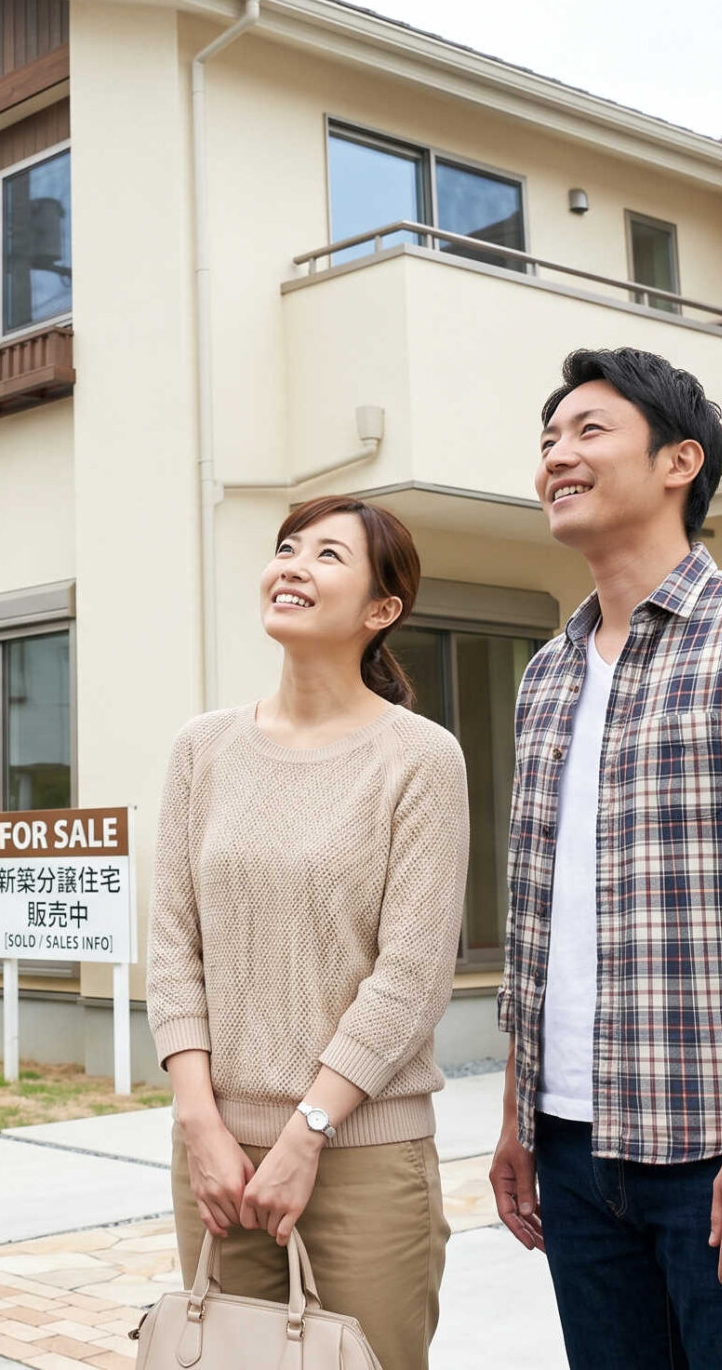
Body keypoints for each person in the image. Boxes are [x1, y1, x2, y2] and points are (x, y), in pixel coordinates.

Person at [487, 348, 722, 1369]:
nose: (557, 456)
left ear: (678, 461)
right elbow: (539, 920)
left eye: (588, 430)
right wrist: (519, 1115)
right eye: (547, 439)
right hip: (570, 1151)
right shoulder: (546, 675)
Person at [145, 495, 469, 1370]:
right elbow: (173, 947)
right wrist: (201, 1125)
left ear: (380, 610)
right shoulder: (201, 749)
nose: (292, 565)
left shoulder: (421, 758)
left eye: (327, 555)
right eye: (287, 547)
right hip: (213, 1155)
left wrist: (304, 1134)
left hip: (361, 1159)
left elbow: (412, 974)